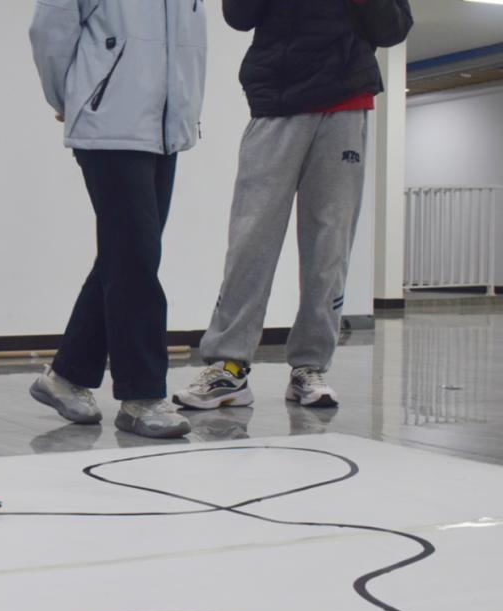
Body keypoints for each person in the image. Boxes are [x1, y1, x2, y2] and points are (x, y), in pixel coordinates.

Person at [175, 0, 412, 411]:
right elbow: (238, 16)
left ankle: (310, 365)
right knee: (252, 238)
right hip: (277, 102)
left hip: (345, 104)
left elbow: (393, 28)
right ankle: (229, 365)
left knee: (329, 244)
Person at [27, 0, 207, 438]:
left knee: (126, 256)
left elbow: (190, 48)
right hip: (109, 125)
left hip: (164, 131)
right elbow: (48, 31)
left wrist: (183, 113)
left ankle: (66, 375)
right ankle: (142, 395)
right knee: (135, 257)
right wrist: (74, 98)